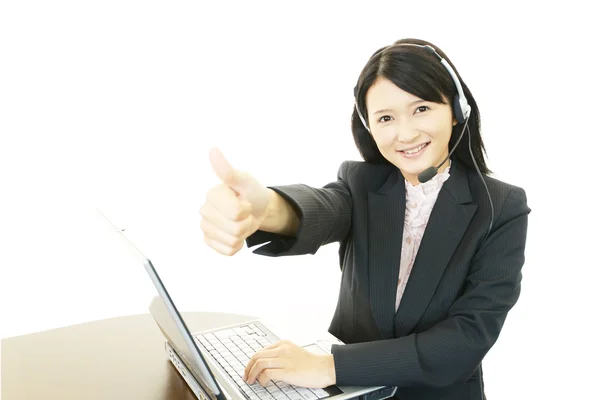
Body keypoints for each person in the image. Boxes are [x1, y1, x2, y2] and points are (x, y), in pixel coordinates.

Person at [199, 37, 530, 400]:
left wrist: (327, 366)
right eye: (386, 118)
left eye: (421, 109)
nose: (405, 133)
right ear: (369, 126)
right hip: (348, 394)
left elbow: (465, 340)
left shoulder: (501, 206)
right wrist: (266, 208)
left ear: (455, 109)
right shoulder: (362, 183)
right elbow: (324, 209)